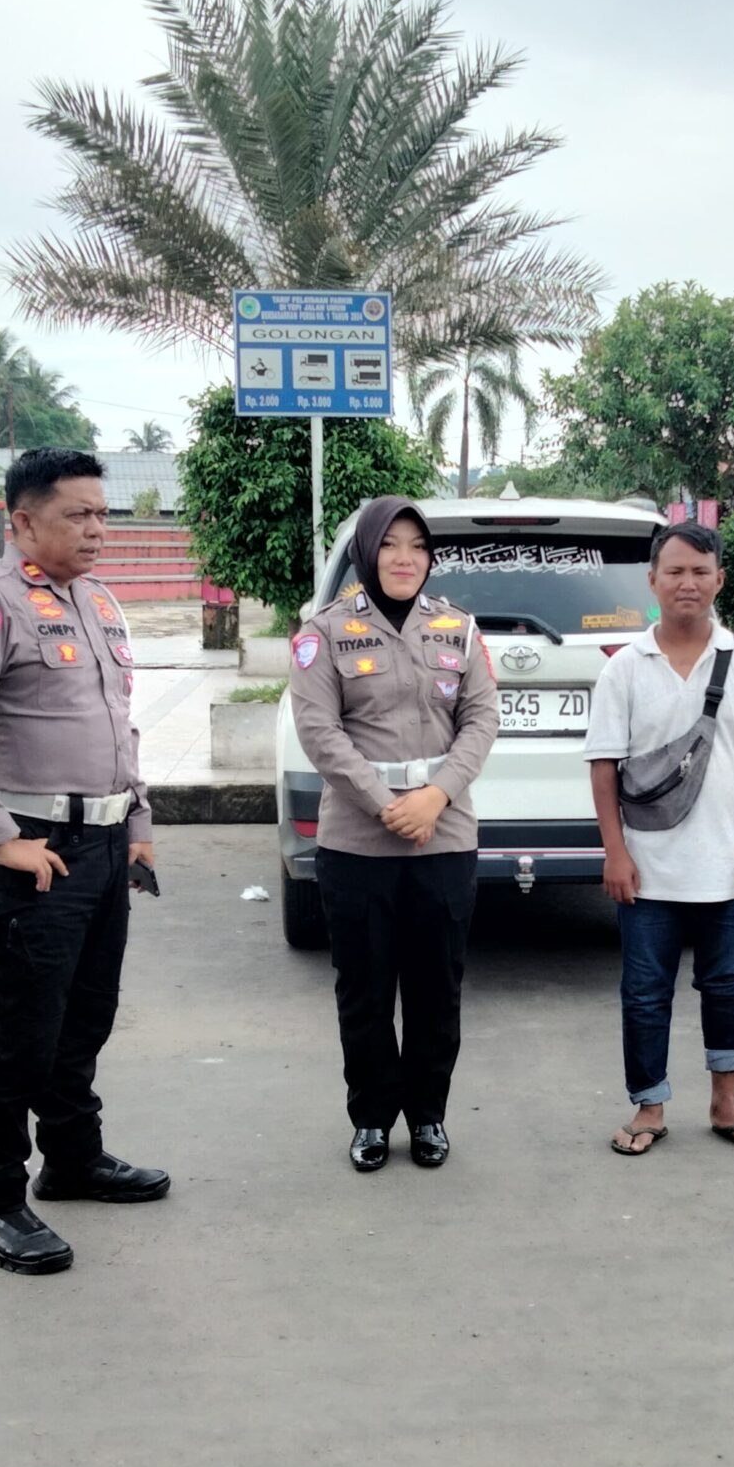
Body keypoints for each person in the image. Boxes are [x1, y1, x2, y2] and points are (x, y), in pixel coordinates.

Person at [0, 447, 169, 1276]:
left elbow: (119, 723)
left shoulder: (96, 600)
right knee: (19, 1036)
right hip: (33, 849)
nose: (98, 529)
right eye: (78, 515)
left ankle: (72, 1158)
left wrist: (137, 820)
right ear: (24, 521)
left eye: (103, 513)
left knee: (84, 1017)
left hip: (103, 843)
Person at [288, 497, 500, 1172]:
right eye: (390, 544)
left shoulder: (457, 629)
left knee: (438, 988)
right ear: (365, 552)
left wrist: (436, 795)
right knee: (366, 990)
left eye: (417, 546)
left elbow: (482, 719)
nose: (405, 558)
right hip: (358, 841)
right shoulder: (325, 632)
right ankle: (373, 1119)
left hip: (444, 833)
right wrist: (386, 805)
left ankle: (429, 1115)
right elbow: (319, 731)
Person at [582, 520, 734, 1158]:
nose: (687, 583)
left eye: (700, 572)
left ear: (719, 580)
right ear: (652, 581)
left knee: (728, 988)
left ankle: (726, 1104)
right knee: (645, 995)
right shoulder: (625, 669)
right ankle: (649, 1107)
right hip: (648, 872)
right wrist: (615, 852)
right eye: (674, 571)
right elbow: (603, 767)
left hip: (730, 870)